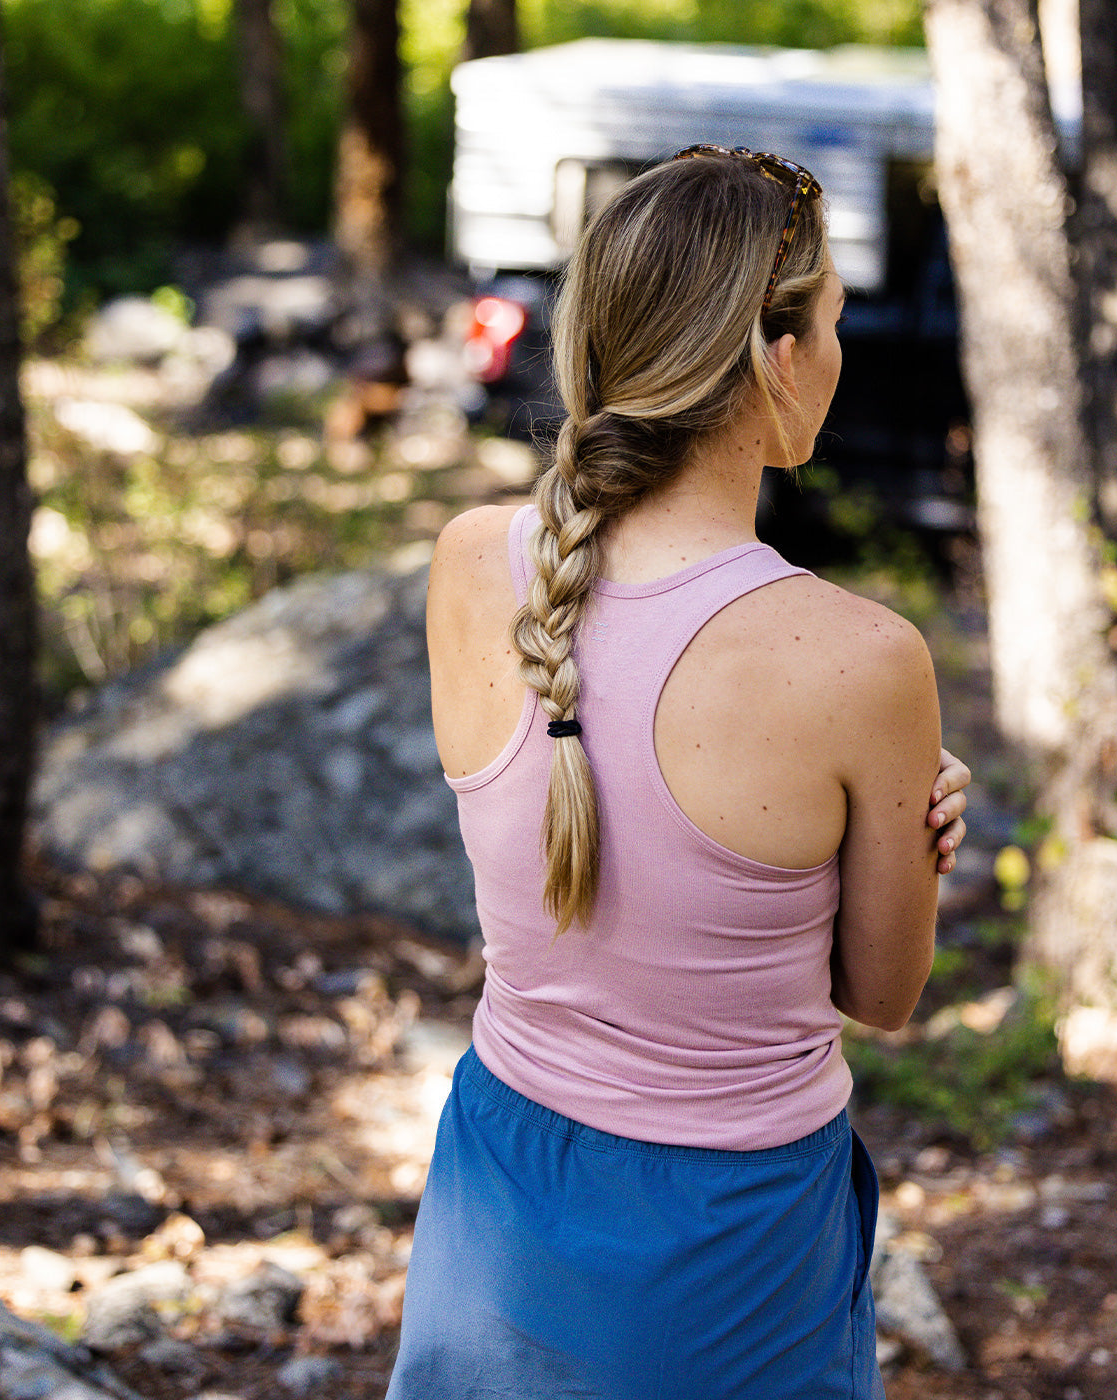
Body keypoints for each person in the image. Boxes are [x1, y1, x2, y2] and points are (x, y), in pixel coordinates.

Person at [386, 144, 970, 1400]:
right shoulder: (861, 660)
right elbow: (883, 990)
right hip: (728, 1246)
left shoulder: (474, 560)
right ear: (776, 357)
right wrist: (908, 830)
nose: (839, 354)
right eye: (831, 323)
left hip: (494, 1195)